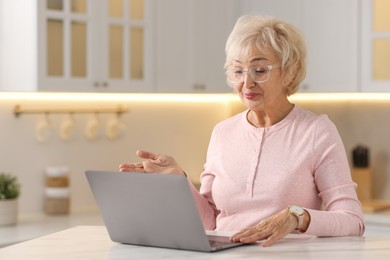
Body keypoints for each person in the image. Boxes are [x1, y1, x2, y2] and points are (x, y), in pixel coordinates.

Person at [119, 14, 365, 247]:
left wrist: (297, 216)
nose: (246, 83)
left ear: (289, 71)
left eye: (259, 70)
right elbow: (212, 221)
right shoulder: (222, 132)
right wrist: (179, 182)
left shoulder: (316, 131)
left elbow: (352, 220)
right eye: (238, 71)